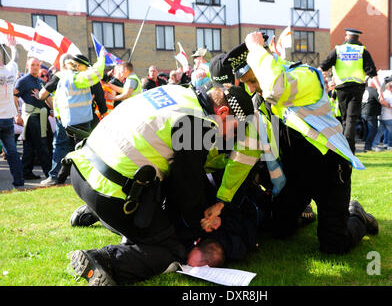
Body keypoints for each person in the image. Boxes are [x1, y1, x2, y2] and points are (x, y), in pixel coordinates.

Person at [68, 83, 259, 285]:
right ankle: (104, 260)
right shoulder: (199, 123)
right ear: (223, 112)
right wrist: (201, 221)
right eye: (234, 128)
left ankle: (97, 212)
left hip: (82, 170)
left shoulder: (177, 92)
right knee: (172, 249)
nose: (229, 137)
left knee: (151, 214)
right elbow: (185, 190)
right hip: (111, 194)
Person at [219, 31, 378, 255]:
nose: (252, 88)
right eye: (246, 83)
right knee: (279, 229)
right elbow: (246, 153)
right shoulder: (260, 102)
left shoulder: (305, 75)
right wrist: (223, 198)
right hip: (298, 176)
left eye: (253, 80)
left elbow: (276, 89)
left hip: (330, 170)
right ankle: (310, 213)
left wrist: (256, 49)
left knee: (334, 246)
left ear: (267, 62)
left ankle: (356, 214)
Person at [318, 28, 383, 153]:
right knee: (351, 119)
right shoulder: (362, 50)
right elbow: (372, 72)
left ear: (346, 37)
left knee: (344, 119)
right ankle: (349, 149)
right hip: (357, 88)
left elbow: (322, 67)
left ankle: (345, 148)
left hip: (341, 88)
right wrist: (380, 90)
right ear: (358, 38)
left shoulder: (338, 50)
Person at [36, 54, 72, 186]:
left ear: (62, 64)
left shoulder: (60, 76)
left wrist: (41, 95)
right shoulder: (82, 76)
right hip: (82, 117)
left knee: (60, 145)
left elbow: (42, 94)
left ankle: (54, 176)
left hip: (64, 117)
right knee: (77, 147)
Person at [13, 57, 51, 180]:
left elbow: (47, 97)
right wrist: (16, 115)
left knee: (29, 145)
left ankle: (26, 172)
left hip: (42, 115)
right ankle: (49, 173)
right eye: (32, 65)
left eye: (37, 65)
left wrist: (54, 109)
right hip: (31, 116)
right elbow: (13, 96)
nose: (35, 67)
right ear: (28, 66)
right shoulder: (22, 81)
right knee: (41, 144)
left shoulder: (40, 81)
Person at [0, 37, 24, 187]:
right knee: (12, 151)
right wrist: (13, 47)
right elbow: (15, 58)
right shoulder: (10, 70)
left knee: (11, 151)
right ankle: (19, 180)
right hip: (8, 118)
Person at [361, 78, 382, 152]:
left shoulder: (365, 89)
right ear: (373, 83)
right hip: (370, 113)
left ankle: (367, 147)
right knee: (373, 130)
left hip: (364, 112)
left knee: (367, 131)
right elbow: (380, 100)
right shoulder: (373, 91)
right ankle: (367, 147)